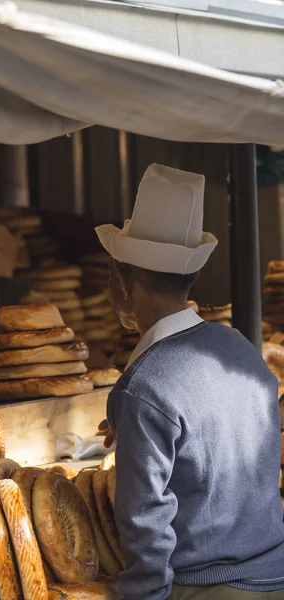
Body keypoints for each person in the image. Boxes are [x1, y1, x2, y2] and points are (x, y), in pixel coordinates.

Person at [95, 164, 284, 600]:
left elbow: (145, 523)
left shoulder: (143, 388)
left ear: (121, 281)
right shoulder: (238, 347)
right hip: (275, 572)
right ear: (193, 277)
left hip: (210, 587)